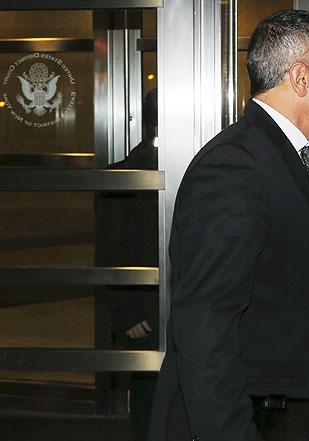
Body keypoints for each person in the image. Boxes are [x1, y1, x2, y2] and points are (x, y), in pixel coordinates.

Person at [148, 10, 309, 441]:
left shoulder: (293, 154)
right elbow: (206, 324)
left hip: (298, 410)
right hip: (251, 420)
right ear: (299, 77)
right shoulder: (234, 167)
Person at [95, 88, 159, 441]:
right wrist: (128, 313)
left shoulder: (202, 169)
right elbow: (111, 251)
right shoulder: (122, 176)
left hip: (188, 310)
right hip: (146, 313)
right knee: (150, 401)